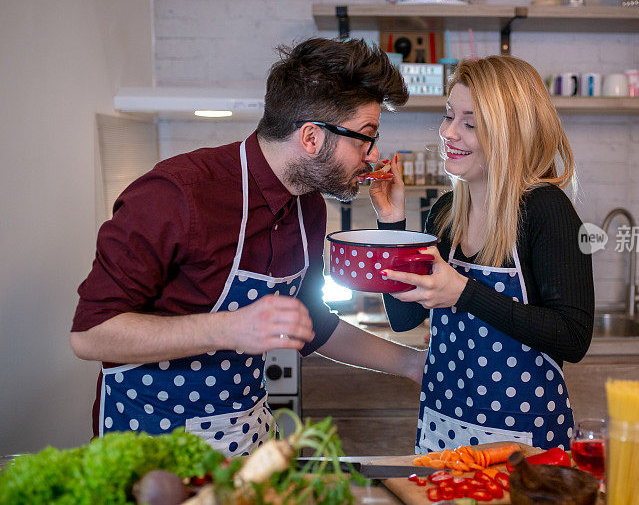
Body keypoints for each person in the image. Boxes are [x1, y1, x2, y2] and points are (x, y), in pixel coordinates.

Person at [70, 38, 427, 456]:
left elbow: (310, 322)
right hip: (148, 449)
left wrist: (408, 364)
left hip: (248, 438)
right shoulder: (176, 194)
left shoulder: (308, 206)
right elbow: (90, 334)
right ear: (311, 137)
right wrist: (231, 327)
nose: (373, 155)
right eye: (366, 137)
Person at [369, 55, 594, 453]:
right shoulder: (445, 212)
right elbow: (405, 318)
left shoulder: (545, 210)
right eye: (449, 115)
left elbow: (573, 338)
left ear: (512, 133)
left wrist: (465, 293)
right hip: (442, 426)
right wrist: (392, 225)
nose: (448, 133)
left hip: (522, 439)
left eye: (470, 124)